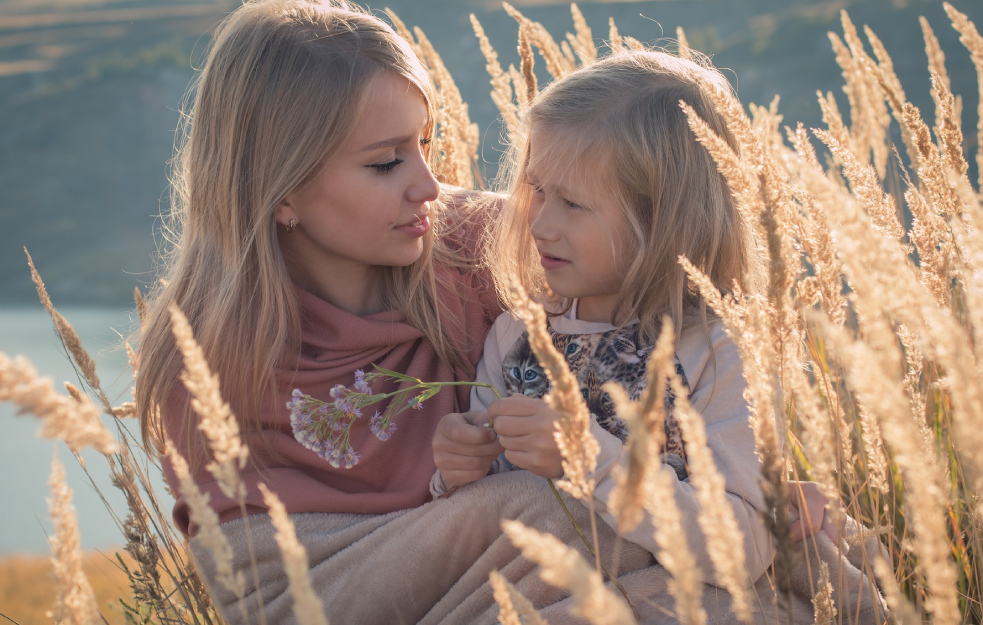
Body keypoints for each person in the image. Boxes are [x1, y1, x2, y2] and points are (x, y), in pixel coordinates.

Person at [134, 1, 875, 623]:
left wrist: (739, 479)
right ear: (281, 188)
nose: (429, 184)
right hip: (330, 572)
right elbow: (251, 577)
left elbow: (652, 313)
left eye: (426, 145)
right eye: (386, 161)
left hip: (517, 533)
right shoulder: (204, 348)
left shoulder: (475, 246)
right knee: (537, 508)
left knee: (783, 538)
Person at [431, 49, 883, 620]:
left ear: (664, 219)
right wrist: (454, 472)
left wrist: (587, 455)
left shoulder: (717, 354)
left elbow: (741, 548)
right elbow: (492, 520)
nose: (541, 222)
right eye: (537, 189)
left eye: (572, 203)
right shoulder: (516, 337)